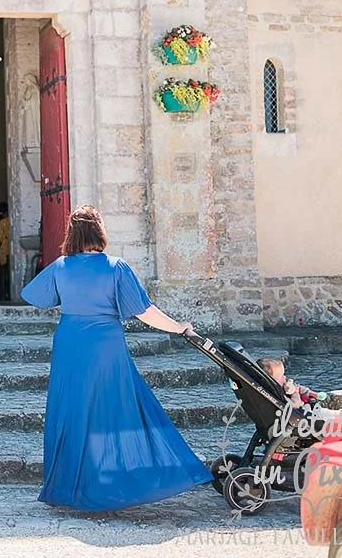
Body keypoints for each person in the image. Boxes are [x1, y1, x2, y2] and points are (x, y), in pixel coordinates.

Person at [21, 204, 212, 512]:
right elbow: (144, 311)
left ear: (72, 234)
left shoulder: (60, 266)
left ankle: (65, 486)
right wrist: (178, 327)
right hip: (105, 345)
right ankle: (114, 480)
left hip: (70, 344)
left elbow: (34, 295)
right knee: (113, 409)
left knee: (71, 410)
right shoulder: (115, 266)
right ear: (99, 232)